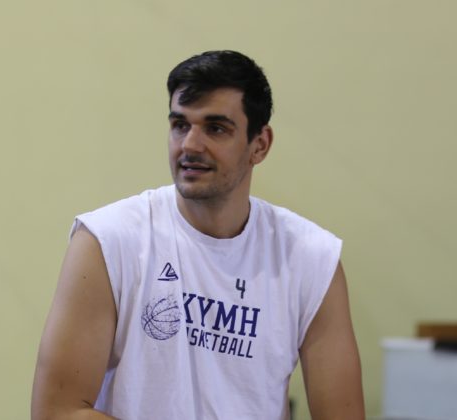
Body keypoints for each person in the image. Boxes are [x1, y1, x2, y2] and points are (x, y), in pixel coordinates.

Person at [32, 50, 364, 420]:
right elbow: (56, 412)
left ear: (260, 145)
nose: (190, 145)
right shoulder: (106, 241)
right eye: (180, 125)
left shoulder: (311, 259)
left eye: (216, 128)